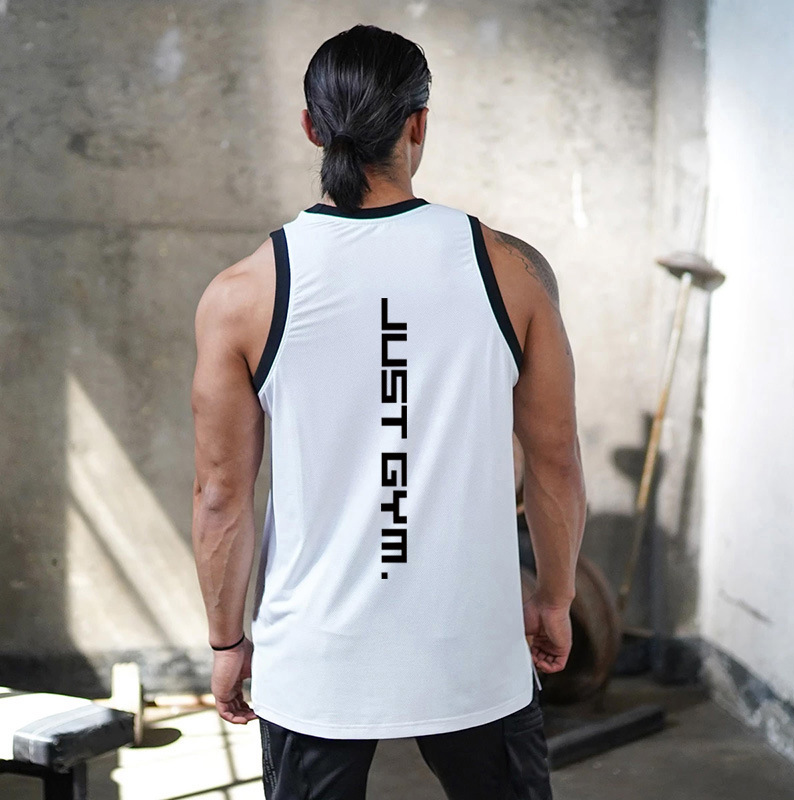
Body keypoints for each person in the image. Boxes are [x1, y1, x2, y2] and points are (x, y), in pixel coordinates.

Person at [191, 23, 586, 800]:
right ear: (418, 124)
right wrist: (554, 598)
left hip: (315, 660)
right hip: (472, 650)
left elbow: (220, 498)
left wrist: (227, 640)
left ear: (311, 128)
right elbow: (556, 461)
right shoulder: (512, 271)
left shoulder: (242, 293)